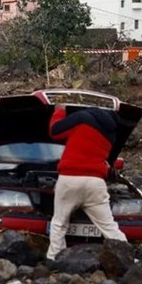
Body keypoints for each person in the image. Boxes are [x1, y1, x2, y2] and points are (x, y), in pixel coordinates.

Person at [46, 105, 127, 264]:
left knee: (60, 222)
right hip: (95, 182)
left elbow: (55, 131)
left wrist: (60, 110)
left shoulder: (82, 118)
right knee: (109, 226)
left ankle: (55, 259)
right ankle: (126, 256)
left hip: (70, 178)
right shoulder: (111, 133)